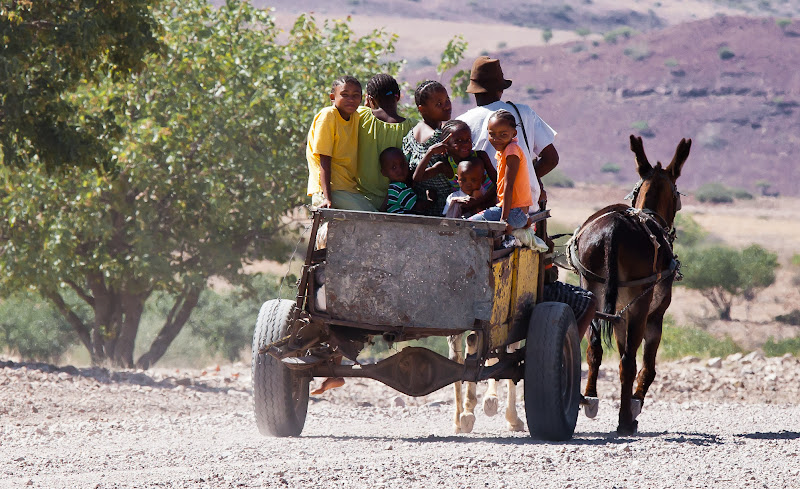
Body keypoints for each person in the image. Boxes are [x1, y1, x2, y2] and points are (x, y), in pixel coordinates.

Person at [456, 56, 559, 208]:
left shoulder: (462, 123)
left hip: (479, 207)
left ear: (473, 91)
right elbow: (551, 159)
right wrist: (524, 179)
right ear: (501, 89)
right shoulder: (524, 113)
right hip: (524, 207)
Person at [306, 75, 376, 211]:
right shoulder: (328, 116)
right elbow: (324, 159)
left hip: (349, 188)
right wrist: (327, 198)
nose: (350, 100)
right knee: (372, 219)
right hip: (330, 189)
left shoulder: (355, 116)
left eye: (355, 96)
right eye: (345, 95)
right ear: (332, 98)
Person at [356, 74, 416, 209]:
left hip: (362, 201)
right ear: (398, 96)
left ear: (370, 99)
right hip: (399, 201)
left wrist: (368, 105)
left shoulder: (362, 116)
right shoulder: (412, 127)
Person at [468, 110, 532, 234]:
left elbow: (509, 186)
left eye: (503, 134)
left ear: (514, 133)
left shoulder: (511, 151)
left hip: (514, 213)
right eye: (492, 134)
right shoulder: (505, 150)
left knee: (467, 226)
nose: (496, 139)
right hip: (517, 213)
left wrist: (504, 220)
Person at [402, 80, 453, 216]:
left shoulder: (410, 135)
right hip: (444, 212)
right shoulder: (441, 138)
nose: (447, 106)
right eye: (439, 104)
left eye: (447, 99)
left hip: (418, 210)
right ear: (422, 109)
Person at [379, 147, 432, 214]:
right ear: (384, 173)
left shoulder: (394, 187)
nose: (400, 170)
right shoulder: (399, 189)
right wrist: (430, 200)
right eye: (394, 167)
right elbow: (418, 207)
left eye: (402, 164)